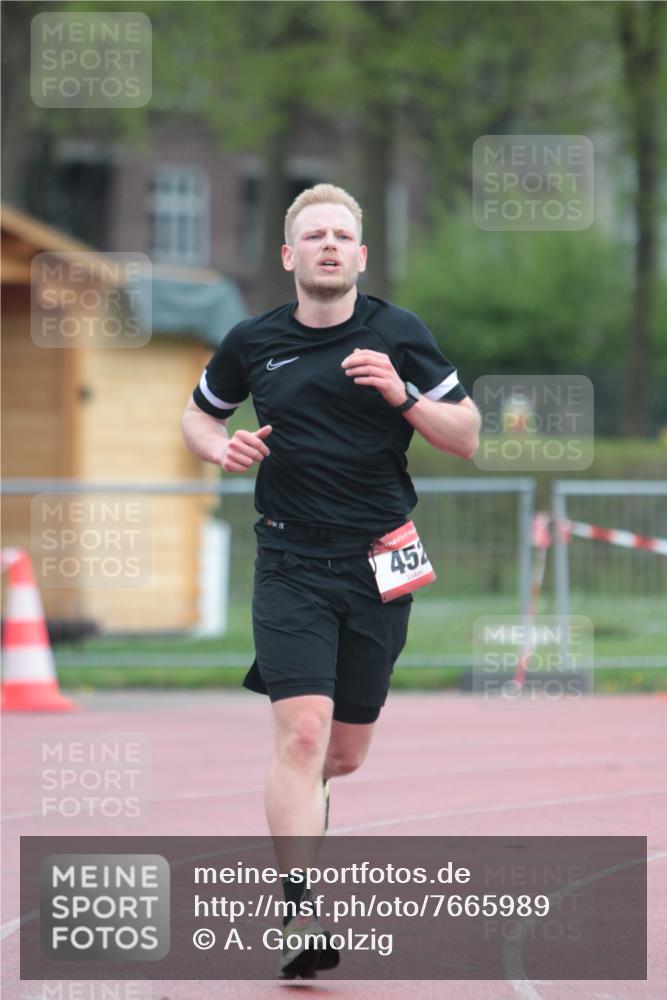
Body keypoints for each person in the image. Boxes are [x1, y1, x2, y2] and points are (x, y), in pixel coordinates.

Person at [181, 183, 480, 977]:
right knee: (301, 735)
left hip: (383, 557)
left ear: (361, 255)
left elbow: (467, 438)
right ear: (289, 255)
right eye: (312, 235)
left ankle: (308, 828)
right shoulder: (253, 340)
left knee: (341, 756)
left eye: (341, 235)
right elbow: (198, 413)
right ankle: (298, 910)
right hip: (288, 559)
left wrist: (403, 394)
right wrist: (219, 449)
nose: (327, 245)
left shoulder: (399, 333)